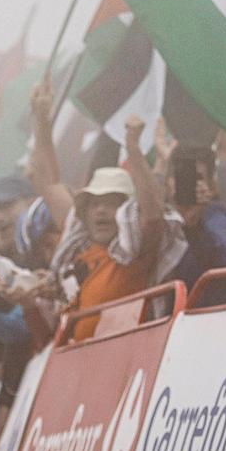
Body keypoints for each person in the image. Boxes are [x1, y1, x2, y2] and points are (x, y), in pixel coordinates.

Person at [29, 83, 186, 339]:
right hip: (74, 355)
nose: (101, 211)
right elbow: (47, 182)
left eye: (112, 203)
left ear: (128, 213)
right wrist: (42, 120)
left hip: (125, 355)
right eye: (94, 203)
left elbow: (153, 216)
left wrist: (133, 150)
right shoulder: (77, 244)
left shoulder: (134, 252)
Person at [159, 144, 226, 292]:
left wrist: (194, 225)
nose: (187, 183)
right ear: (167, 181)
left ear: (212, 186)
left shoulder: (218, 219)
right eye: (180, 175)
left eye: (196, 177)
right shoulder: (160, 219)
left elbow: (222, 254)